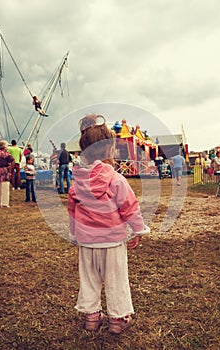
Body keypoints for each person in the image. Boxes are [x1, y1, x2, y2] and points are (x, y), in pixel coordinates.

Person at [68, 114, 150, 334]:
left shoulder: (77, 182)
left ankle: (92, 317)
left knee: (89, 278)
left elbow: (73, 212)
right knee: (116, 279)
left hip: (87, 242)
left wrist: (75, 234)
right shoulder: (116, 179)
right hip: (112, 241)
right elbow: (129, 206)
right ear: (108, 150)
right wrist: (138, 230)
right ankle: (118, 320)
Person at [0, 140, 15, 208]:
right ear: (4, 147)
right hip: (4, 172)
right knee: (4, 187)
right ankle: (4, 203)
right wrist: (10, 167)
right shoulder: (6, 154)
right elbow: (13, 160)